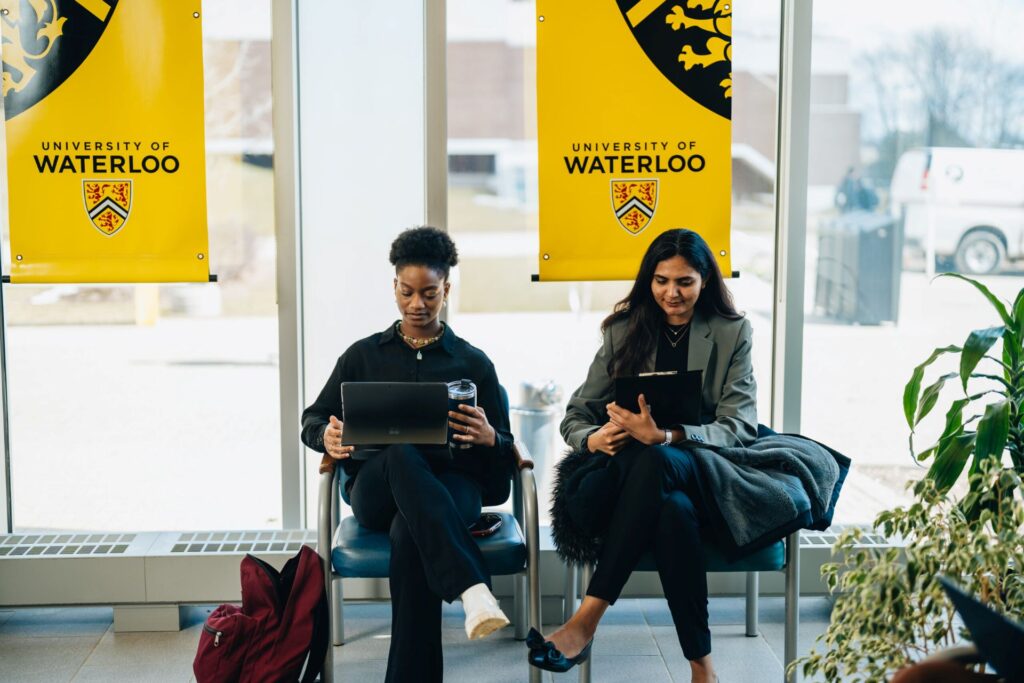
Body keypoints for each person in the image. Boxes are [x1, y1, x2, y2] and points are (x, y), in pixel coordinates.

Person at [527, 229, 757, 682]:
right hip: (628, 477)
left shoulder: (733, 333)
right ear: (648, 281)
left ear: (705, 280)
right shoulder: (622, 331)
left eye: (685, 282)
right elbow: (575, 415)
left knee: (657, 459)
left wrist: (667, 435)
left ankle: (585, 620)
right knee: (672, 511)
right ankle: (702, 668)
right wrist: (595, 439)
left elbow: (739, 426)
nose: (672, 292)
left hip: (700, 468)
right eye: (661, 280)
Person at [301, 226, 514, 683]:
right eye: (407, 292)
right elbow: (311, 420)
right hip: (378, 487)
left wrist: (490, 437)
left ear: (447, 290)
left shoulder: (474, 363)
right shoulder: (362, 356)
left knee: (410, 533)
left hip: (451, 488)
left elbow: (505, 457)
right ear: (394, 286)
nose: (417, 304)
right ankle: (472, 587)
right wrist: (328, 437)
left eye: (430, 294)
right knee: (400, 454)